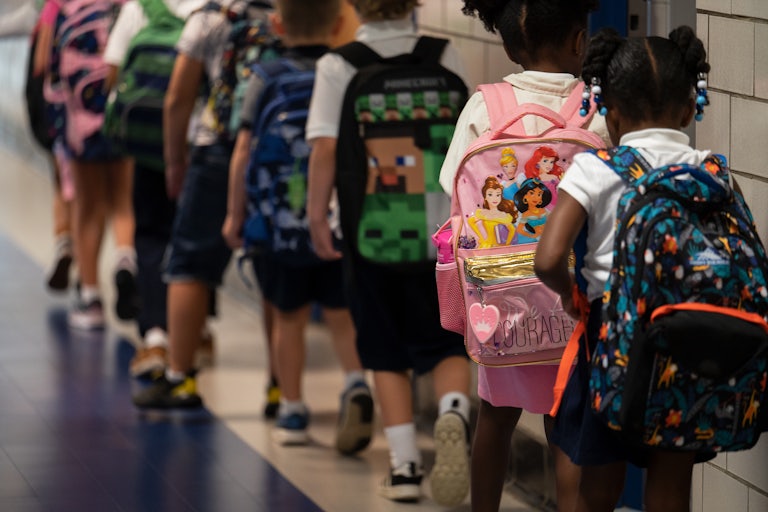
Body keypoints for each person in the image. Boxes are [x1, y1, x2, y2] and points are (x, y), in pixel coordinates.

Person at [534, 25, 714, 512]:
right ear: (686, 109)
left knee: (597, 487)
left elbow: (548, 258)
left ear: (609, 115)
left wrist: (574, 294)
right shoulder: (709, 169)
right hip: (688, 338)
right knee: (670, 488)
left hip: (611, 337)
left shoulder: (595, 169)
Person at [439, 2, 608, 511]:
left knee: (494, 417)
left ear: (510, 46)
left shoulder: (484, 106)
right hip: (572, 295)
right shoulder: (593, 108)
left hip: (501, 300)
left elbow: (452, 184)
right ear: (580, 41)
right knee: (566, 423)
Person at [306, 0, 472, 505]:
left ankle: (403, 469)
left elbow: (326, 150)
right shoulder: (446, 54)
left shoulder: (339, 65)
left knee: (382, 348)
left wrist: (316, 215)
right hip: (442, 234)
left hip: (372, 231)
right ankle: (453, 409)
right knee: (445, 341)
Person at [222, 0, 374, 453]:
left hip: (277, 223)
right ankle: (353, 382)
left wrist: (234, 214)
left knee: (287, 319)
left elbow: (244, 149)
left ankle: (291, 409)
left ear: (277, 24)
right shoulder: (342, 71)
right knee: (341, 313)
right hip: (333, 217)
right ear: (336, 23)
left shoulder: (264, 77)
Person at [132, 0, 274, 409]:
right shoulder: (285, 15)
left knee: (189, 264)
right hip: (275, 154)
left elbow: (178, 97)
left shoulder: (209, 17)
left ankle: (180, 376)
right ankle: (282, 390)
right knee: (273, 268)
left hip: (216, 151)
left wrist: (174, 160)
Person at [103, 0, 208, 379]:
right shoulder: (213, 10)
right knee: (196, 238)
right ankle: (199, 330)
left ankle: (157, 334)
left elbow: (112, 72)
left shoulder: (139, 7)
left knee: (150, 234)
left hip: (150, 146)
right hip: (200, 142)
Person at [42, 0, 138, 331]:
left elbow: (47, 66)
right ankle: (126, 260)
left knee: (87, 209)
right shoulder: (130, 6)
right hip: (121, 115)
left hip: (81, 121)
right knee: (123, 201)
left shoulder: (65, 7)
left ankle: (91, 297)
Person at [27, 0, 75, 293]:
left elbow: (42, 64)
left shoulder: (56, 5)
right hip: (102, 114)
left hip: (63, 111)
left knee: (63, 184)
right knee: (104, 200)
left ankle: (64, 244)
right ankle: (100, 273)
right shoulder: (119, 5)